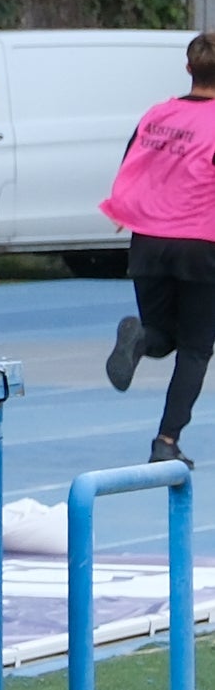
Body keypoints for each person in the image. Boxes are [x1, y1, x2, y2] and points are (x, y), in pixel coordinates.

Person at [101, 32, 215, 466]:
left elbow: (133, 163)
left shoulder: (158, 115)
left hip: (148, 241)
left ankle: (140, 338)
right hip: (200, 242)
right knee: (196, 348)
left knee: (163, 336)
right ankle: (166, 441)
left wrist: (123, 206)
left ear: (188, 69)